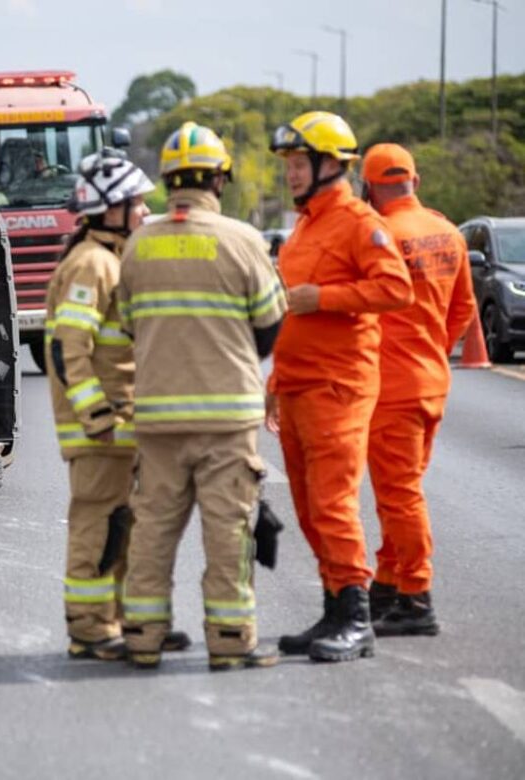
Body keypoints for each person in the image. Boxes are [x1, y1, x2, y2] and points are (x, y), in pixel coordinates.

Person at [117, 122, 287, 672]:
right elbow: (270, 325)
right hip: (227, 417)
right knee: (228, 534)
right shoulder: (243, 241)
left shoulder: (140, 243)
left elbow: (127, 325)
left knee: (152, 532)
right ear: (220, 178)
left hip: (159, 415)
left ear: (168, 181)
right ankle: (232, 641)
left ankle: (142, 636)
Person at [266, 111, 414, 662]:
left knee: (332, 504)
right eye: (290, 164)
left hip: (339, 386)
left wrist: (325, 298)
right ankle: (335, 606)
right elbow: (288, 312)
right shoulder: (305, 224)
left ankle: (357, 619)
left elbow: (395, 288)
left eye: (300, 163)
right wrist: (275, 381)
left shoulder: (357, 221)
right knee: (307, 507)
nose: (292, 174)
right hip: (298, 385)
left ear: (332, 164)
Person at [46, 148, 189, 660]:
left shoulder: (111, 258)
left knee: (125, 526)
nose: (146, 213)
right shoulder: (93, 263)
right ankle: (89, 627)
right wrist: (96, 416)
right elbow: (68, 347)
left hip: (123, 424)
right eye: (137, 203)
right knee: (98, 526)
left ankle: (131, 622)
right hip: (101, 430)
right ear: (110, 208)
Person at [360, 143, 476, 636]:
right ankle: (387, 585)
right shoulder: (448, 231)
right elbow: (464, 308)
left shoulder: (381, 234)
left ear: (368, 187)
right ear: (416, 181)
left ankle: (417, 597)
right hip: (432, 381)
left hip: (392, 387)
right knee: (398, 492)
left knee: (399, 495)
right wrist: (434, 348)